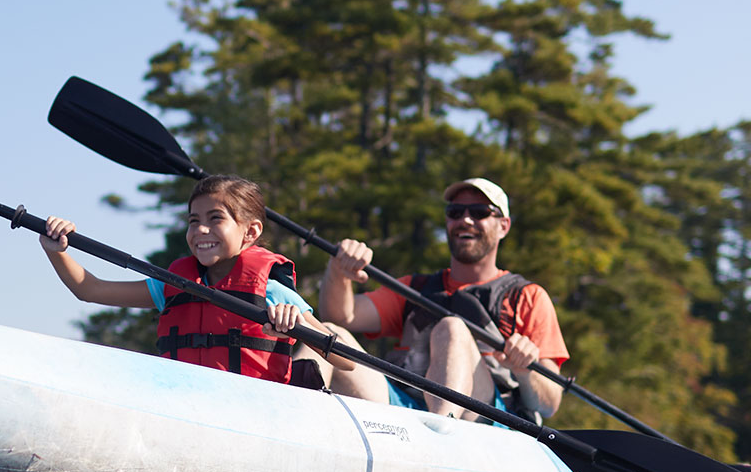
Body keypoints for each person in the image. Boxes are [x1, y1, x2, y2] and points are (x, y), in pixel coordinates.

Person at [39, 174, 352, 386]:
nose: (201, 230)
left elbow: (346, 362)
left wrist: (298, 323)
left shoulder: (271, 290)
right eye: (193, 221)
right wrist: (57, 251)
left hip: (257, 412)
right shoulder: (173, 285)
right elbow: (90, 290)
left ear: (251, 232)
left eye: (215, 219)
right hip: (187, 406)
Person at [319, 178, 567, 421]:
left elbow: (548, 404)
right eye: (455, 212)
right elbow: (341, 316)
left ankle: (440, 429)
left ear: (503, 226)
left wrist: (525, 372)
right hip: (405, 409)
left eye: (480, 212)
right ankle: (287, 425)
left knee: (452, 327)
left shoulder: (527, 297)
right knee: (327, 335)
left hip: (487, 419)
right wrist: (338, 271)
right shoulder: (415, 289)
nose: (465, 220)